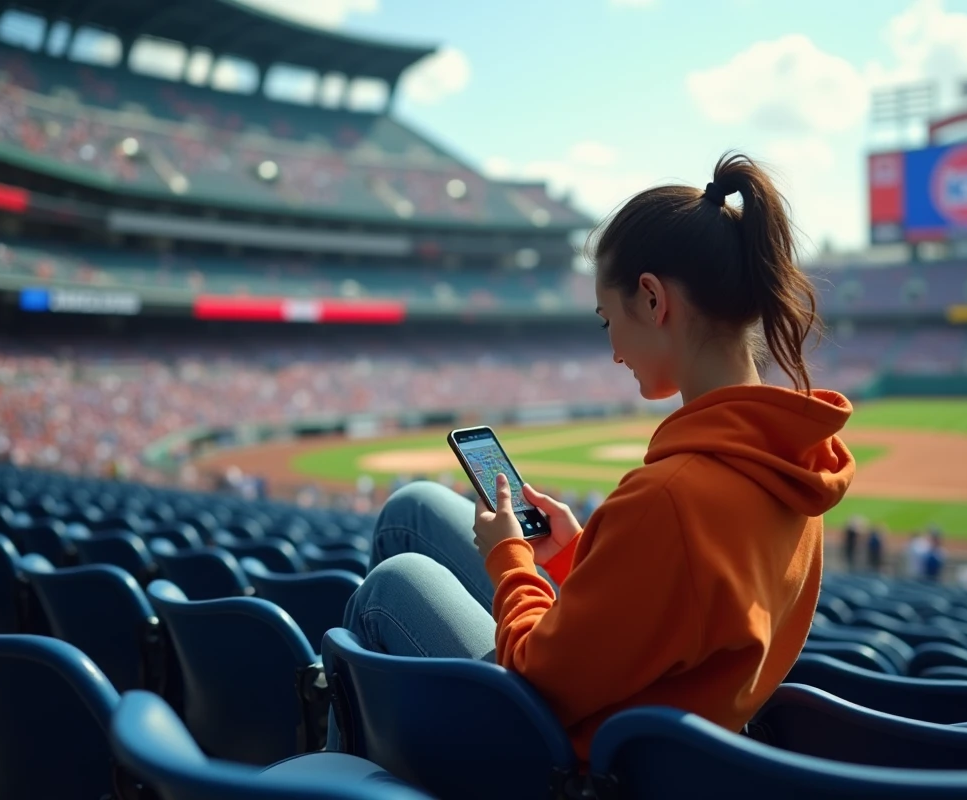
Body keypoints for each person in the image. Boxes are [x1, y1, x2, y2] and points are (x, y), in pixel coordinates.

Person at [334, 153, 856, 761]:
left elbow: (537, 676)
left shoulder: (668, 497)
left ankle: (336, 769)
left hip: (581, 764)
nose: (613, 352)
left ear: (654, 299)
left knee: (393, 586)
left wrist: (510, 558)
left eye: (609, 320)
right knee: (416, 507)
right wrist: (583, 556)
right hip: (675, 734)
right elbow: (686, 607)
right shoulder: (793, 459)